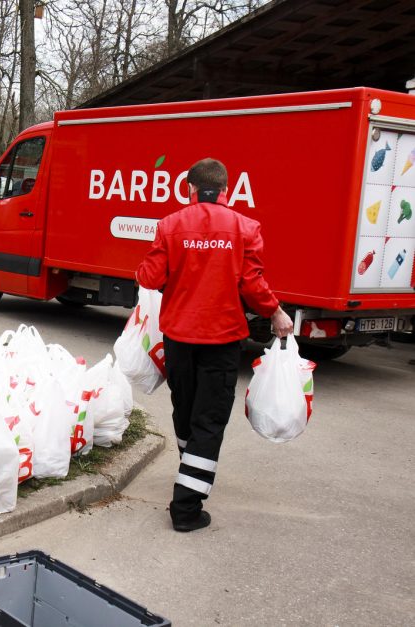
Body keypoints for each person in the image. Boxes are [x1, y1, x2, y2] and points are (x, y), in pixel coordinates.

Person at [136, 158, 292, 533]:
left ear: (190, 189)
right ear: (226, 190)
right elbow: (252, 284)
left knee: (186, 412)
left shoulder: (170, 225)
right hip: (220, 340)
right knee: (209, 420)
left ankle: (189, 471)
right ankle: (186, 509)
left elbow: (148, 276)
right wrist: (276, 313)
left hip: (178, 338)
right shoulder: (245, 227)